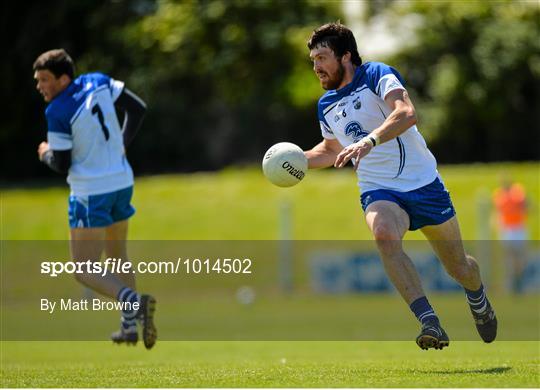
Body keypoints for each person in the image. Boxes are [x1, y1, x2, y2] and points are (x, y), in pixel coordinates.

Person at [304, 23, 497, 349]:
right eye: (313, 60)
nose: (316, 67)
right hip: (378, 189)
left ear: (345, 56)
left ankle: (477, 297)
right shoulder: (326, 105)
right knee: (383, 234)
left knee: (459, 268)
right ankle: (429, 321)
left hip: (423, 183)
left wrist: (369, 141)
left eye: (322, 57)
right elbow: (331, 150)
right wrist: (292, 161)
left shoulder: (377, 74)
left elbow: (406, 113)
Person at [33, 49, 156, 349]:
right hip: (122, 181)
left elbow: (61, 163)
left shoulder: (58, 110)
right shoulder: (98, 82)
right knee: (117, 256)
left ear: (64, 79)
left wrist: (44, 152)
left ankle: (134, 303)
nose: (40, 86)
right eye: (37, 81)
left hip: (91, 191)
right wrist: (121, 146)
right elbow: (137, 108)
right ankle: (130, 327)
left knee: (83, 268)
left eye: (45, 80)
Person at [493, 178, 529, 293]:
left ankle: (518, 280)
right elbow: (498, 212)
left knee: (519, 256)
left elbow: (526, 205)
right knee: (510, 256)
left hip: (518, 227)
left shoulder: (517, 193)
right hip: (508, 229)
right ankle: (512, 282)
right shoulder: (499, 195)